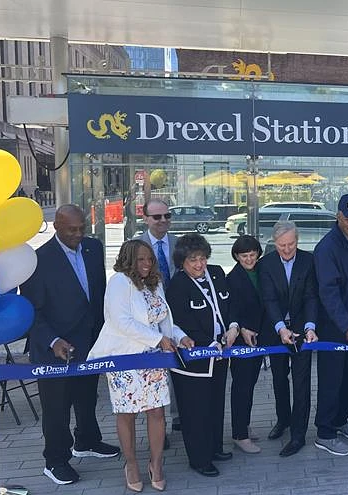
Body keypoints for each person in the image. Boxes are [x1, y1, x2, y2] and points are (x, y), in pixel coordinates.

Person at [20, 205, 121, 485]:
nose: (78, 235)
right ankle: (56, 460)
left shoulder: (92, 247)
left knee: (87, 396)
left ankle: (87, 440)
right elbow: (31, 312)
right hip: (55, 347)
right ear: (56, 227)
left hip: (89, 341)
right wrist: (53, 341)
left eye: (82, 229)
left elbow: (96, 293)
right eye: (71, 230)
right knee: (57, 407)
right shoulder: (38, 261)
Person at [88, 239, 194, 492]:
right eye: (140, 259)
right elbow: (120, 320)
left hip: (153, 360)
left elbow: (164, 321)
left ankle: (156, 464)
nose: (146, 263)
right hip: (126, 359)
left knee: (156, 413)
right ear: (128, 260)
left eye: (149, 259)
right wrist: (159, 339)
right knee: (127, 414)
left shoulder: (155, 284)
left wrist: (180, 337)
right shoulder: (119, 282)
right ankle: (132, 464)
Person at [165, 233, 239, 477]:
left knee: (216, 404)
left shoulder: (217, 273)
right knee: (195, 410)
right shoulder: (177, 285)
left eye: (202, 258)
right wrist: (208, 342)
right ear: (182, 263)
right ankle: (199, 458)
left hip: (220, 355)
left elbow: (229, 305)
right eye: (193, 260)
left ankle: (215, 447)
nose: (199, 264)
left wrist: (233, 328)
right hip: (195, 359)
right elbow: (181, 322)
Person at [257, 221, 320, 457]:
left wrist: (310, 327)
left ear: (298, 240)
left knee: (302, 382)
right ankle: (283, 419)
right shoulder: (266, 264)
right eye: (282, 245)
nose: (286, 249)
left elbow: (312, 296)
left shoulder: (309, 260)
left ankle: (298, 435)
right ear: (275, 243)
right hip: (276, 329)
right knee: (279, 378)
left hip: (303, 327)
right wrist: (281, 329)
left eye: (291, 244)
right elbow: (269, 300)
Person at [313, 193, 348, 456]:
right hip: (333, 326)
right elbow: (328, 293)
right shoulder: (327, 247)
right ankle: (324, 432)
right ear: (338, 217)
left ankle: (340, 420)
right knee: (331, 380)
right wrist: (346, 326)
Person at [139, 198, 181, 437]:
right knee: (154, 375)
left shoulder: (179, 243)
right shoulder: (135, 246)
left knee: (179, 370)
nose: (163, 220)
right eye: (157, 217)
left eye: (167, 216)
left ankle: (179, 417)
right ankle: (158, 430)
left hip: (179, 318)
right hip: (148, 322)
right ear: (145, 218)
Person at [225, 235, 265, 454]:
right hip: (242, 338)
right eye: (244, 256)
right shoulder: (233, 278)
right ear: (236, 256)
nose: (249, 259)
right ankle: (239, 434)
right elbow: (231, 310)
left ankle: (245, 424)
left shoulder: (262, 271)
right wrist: (240, 328)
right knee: (241, 386)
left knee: (250, 384)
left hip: (258, 338)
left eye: (252, 255)